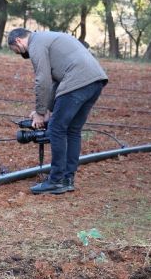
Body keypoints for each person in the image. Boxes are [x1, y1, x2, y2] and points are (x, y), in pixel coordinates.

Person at [8, 28, 108, 194]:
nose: (18, 54)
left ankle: (56, 181)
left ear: (18, 41)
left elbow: (43, 80)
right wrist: (47, 108)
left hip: (78, 80)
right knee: (72, 130)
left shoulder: (35, 44)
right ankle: (67, 179)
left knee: (56, 129)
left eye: (16, 50)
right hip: (95, 80)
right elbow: (56, 82)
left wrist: (40, 113)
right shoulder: (48, 38)